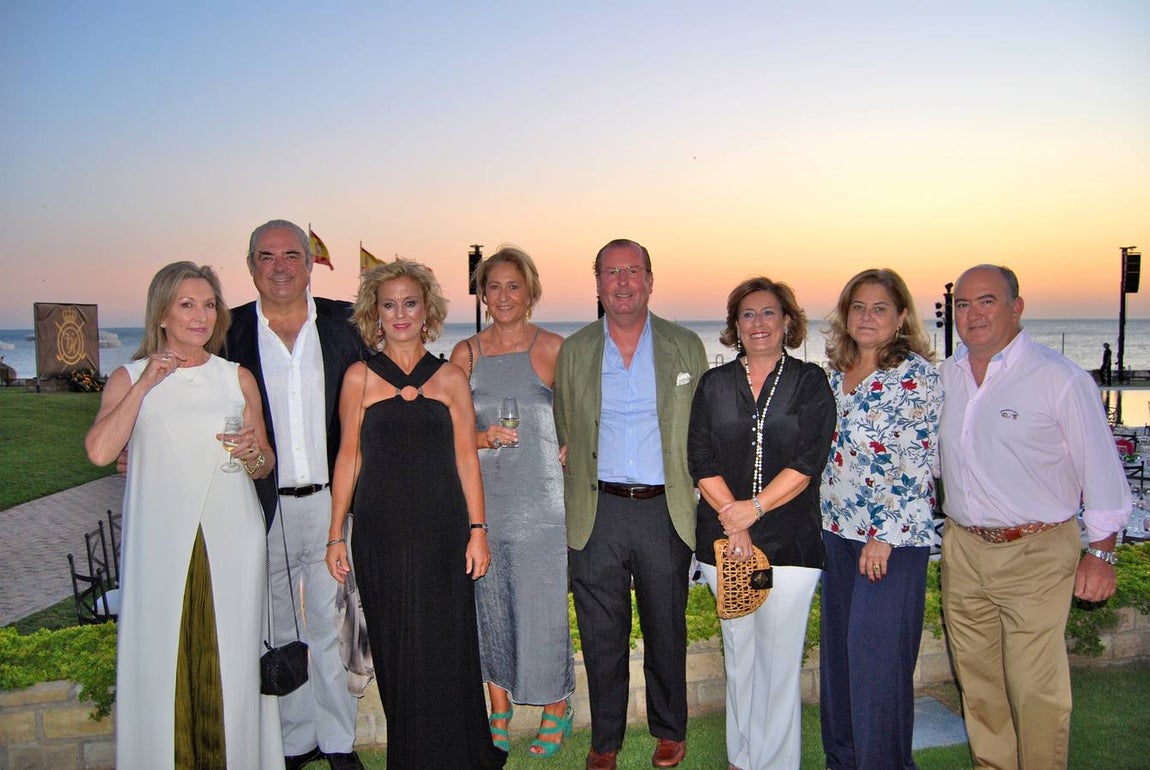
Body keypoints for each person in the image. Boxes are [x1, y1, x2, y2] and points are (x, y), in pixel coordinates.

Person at [85, 262, 282, 769]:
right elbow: (101, 451)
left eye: (209, 305)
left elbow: (264, 465)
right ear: (163, 313)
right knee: (161, 656)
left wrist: (250, 454)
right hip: (161, 537)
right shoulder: (131, 376)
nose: (200, 316)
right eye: (186, 305)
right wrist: (147, 380)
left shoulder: (236, 378)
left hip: (232, 534)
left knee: (232, 659)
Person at [939, 264, 1130, 769]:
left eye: (986, 301)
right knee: (978, 683)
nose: (972, 313)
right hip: (963, 548)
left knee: (1035, 687)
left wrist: (1102, 553)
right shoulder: (946, 379)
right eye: (962, 303)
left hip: (1038, 551)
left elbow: (1103, 471)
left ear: (1016, 306)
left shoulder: (1057, 378)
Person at [325, 259, 506, 769]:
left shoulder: (450, 377)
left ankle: (461, 753)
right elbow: (348, 457)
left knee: (448, 645)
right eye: (389, 304)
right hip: (380, 534)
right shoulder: (358, 378)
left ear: (426, 309)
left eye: (410, 303)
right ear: (374, 313)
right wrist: (336, 534)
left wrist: (478, 531)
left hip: (444, 532)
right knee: (396, 648)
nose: (400, 314)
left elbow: (467, 458)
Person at [553, 238, 708, 770]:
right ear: (597, 284)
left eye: (632, 270)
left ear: (649, 280)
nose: (622, 281)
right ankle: (605, 741)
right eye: (611, 272)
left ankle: (670, 729)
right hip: (598, 511)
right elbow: (564, 424)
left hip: (664, 510)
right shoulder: (574, 350)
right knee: (600, 634)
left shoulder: (685, 345)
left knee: (667, 626)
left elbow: (702, 429)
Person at [226, 220, 367, 770]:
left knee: (329, 628)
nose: (280, 266)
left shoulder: (346, 324)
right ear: (251, 265)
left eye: (291, 255)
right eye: (267, 256)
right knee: (277, 627)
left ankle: (337, 743)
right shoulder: (229, 331)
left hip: (332, 504)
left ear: (310, 263)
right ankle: (293, 743)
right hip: (260, 504)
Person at [687, 276, 835, 770]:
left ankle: (774, 763)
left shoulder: (810, 382)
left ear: (787, 321)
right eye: (747, 315)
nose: (758, 323)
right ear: (734, 326)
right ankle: (741, 758)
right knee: (742, 659)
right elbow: (700, 457)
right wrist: (737, 522)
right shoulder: (714, 384)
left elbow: (808, 459)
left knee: (777, 666)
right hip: (727, 545)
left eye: (768, 313)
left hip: (790, 543)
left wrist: (756, 509)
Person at [448, 246, 575, 758]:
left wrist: (570, 444)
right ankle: (496, 705)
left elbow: (582, 417)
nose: (503, 296)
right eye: (493, 287)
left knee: (544, 606)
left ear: (531, 294)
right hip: (484, 503)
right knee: (489, 603)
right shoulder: (466, 354)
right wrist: (483, 439)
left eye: (513, 286)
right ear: (482, 293)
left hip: (543, 502)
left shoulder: (554, 349)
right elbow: (450, 433)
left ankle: (556, 706)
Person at [818, 268, 941, 770]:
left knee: (878, 666)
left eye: (880, 308)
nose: (867, 317)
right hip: (835, 534)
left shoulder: (916, 375)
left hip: (888, 542)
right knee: (841, 662)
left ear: (902, 317)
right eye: (859, 307)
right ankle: (843, 762)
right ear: (846, 315)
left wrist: (883, 537)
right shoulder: (832, 376)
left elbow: (917, 461)